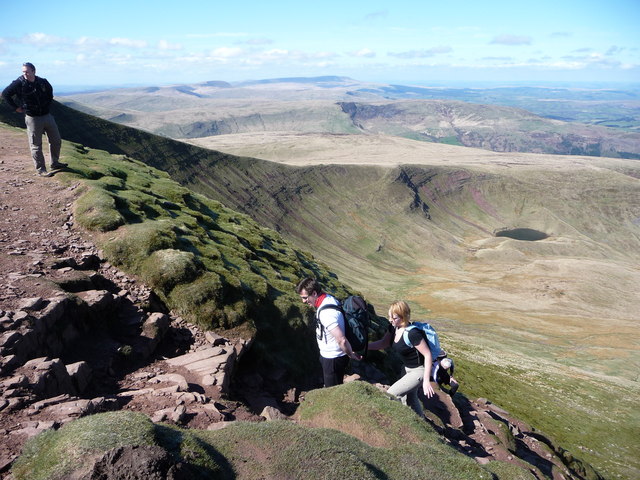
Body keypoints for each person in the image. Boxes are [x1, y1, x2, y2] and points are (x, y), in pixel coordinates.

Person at [369, 300, 458, 416]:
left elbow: (427, 355)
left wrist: (426, 381)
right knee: (410, 399)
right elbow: (383, 343)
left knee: (391, 394)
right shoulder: (393, 328)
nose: (390, 319)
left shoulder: (413, 334)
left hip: (419, 371)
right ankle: (419, 423)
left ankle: (388, 419)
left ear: (403, 317)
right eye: (389, 316)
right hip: (406, 369)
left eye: (394, 317)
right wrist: (364, 347)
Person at [2, 62, 66, 177]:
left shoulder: (42, 81)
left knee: (56, 140)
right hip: (33, 118)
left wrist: (46, 104)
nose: (24, 73)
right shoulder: (19, 83)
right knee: (36, 145)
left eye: (27, 71)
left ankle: (55, 163)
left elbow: (49, 93)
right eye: (23, 71)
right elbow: (6, 94)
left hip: (47, 115)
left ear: (33, 71)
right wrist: (16, 108)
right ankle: (41, 170)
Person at [296, 277, 362, 387]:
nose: (303, 301)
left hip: (332, 358)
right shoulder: (328, 298)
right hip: (332, 357)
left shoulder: (326, 314)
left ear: (314, 293)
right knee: (333, 385)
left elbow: (341, 340)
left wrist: (350, 354)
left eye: (305, 297)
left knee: (333, 390)